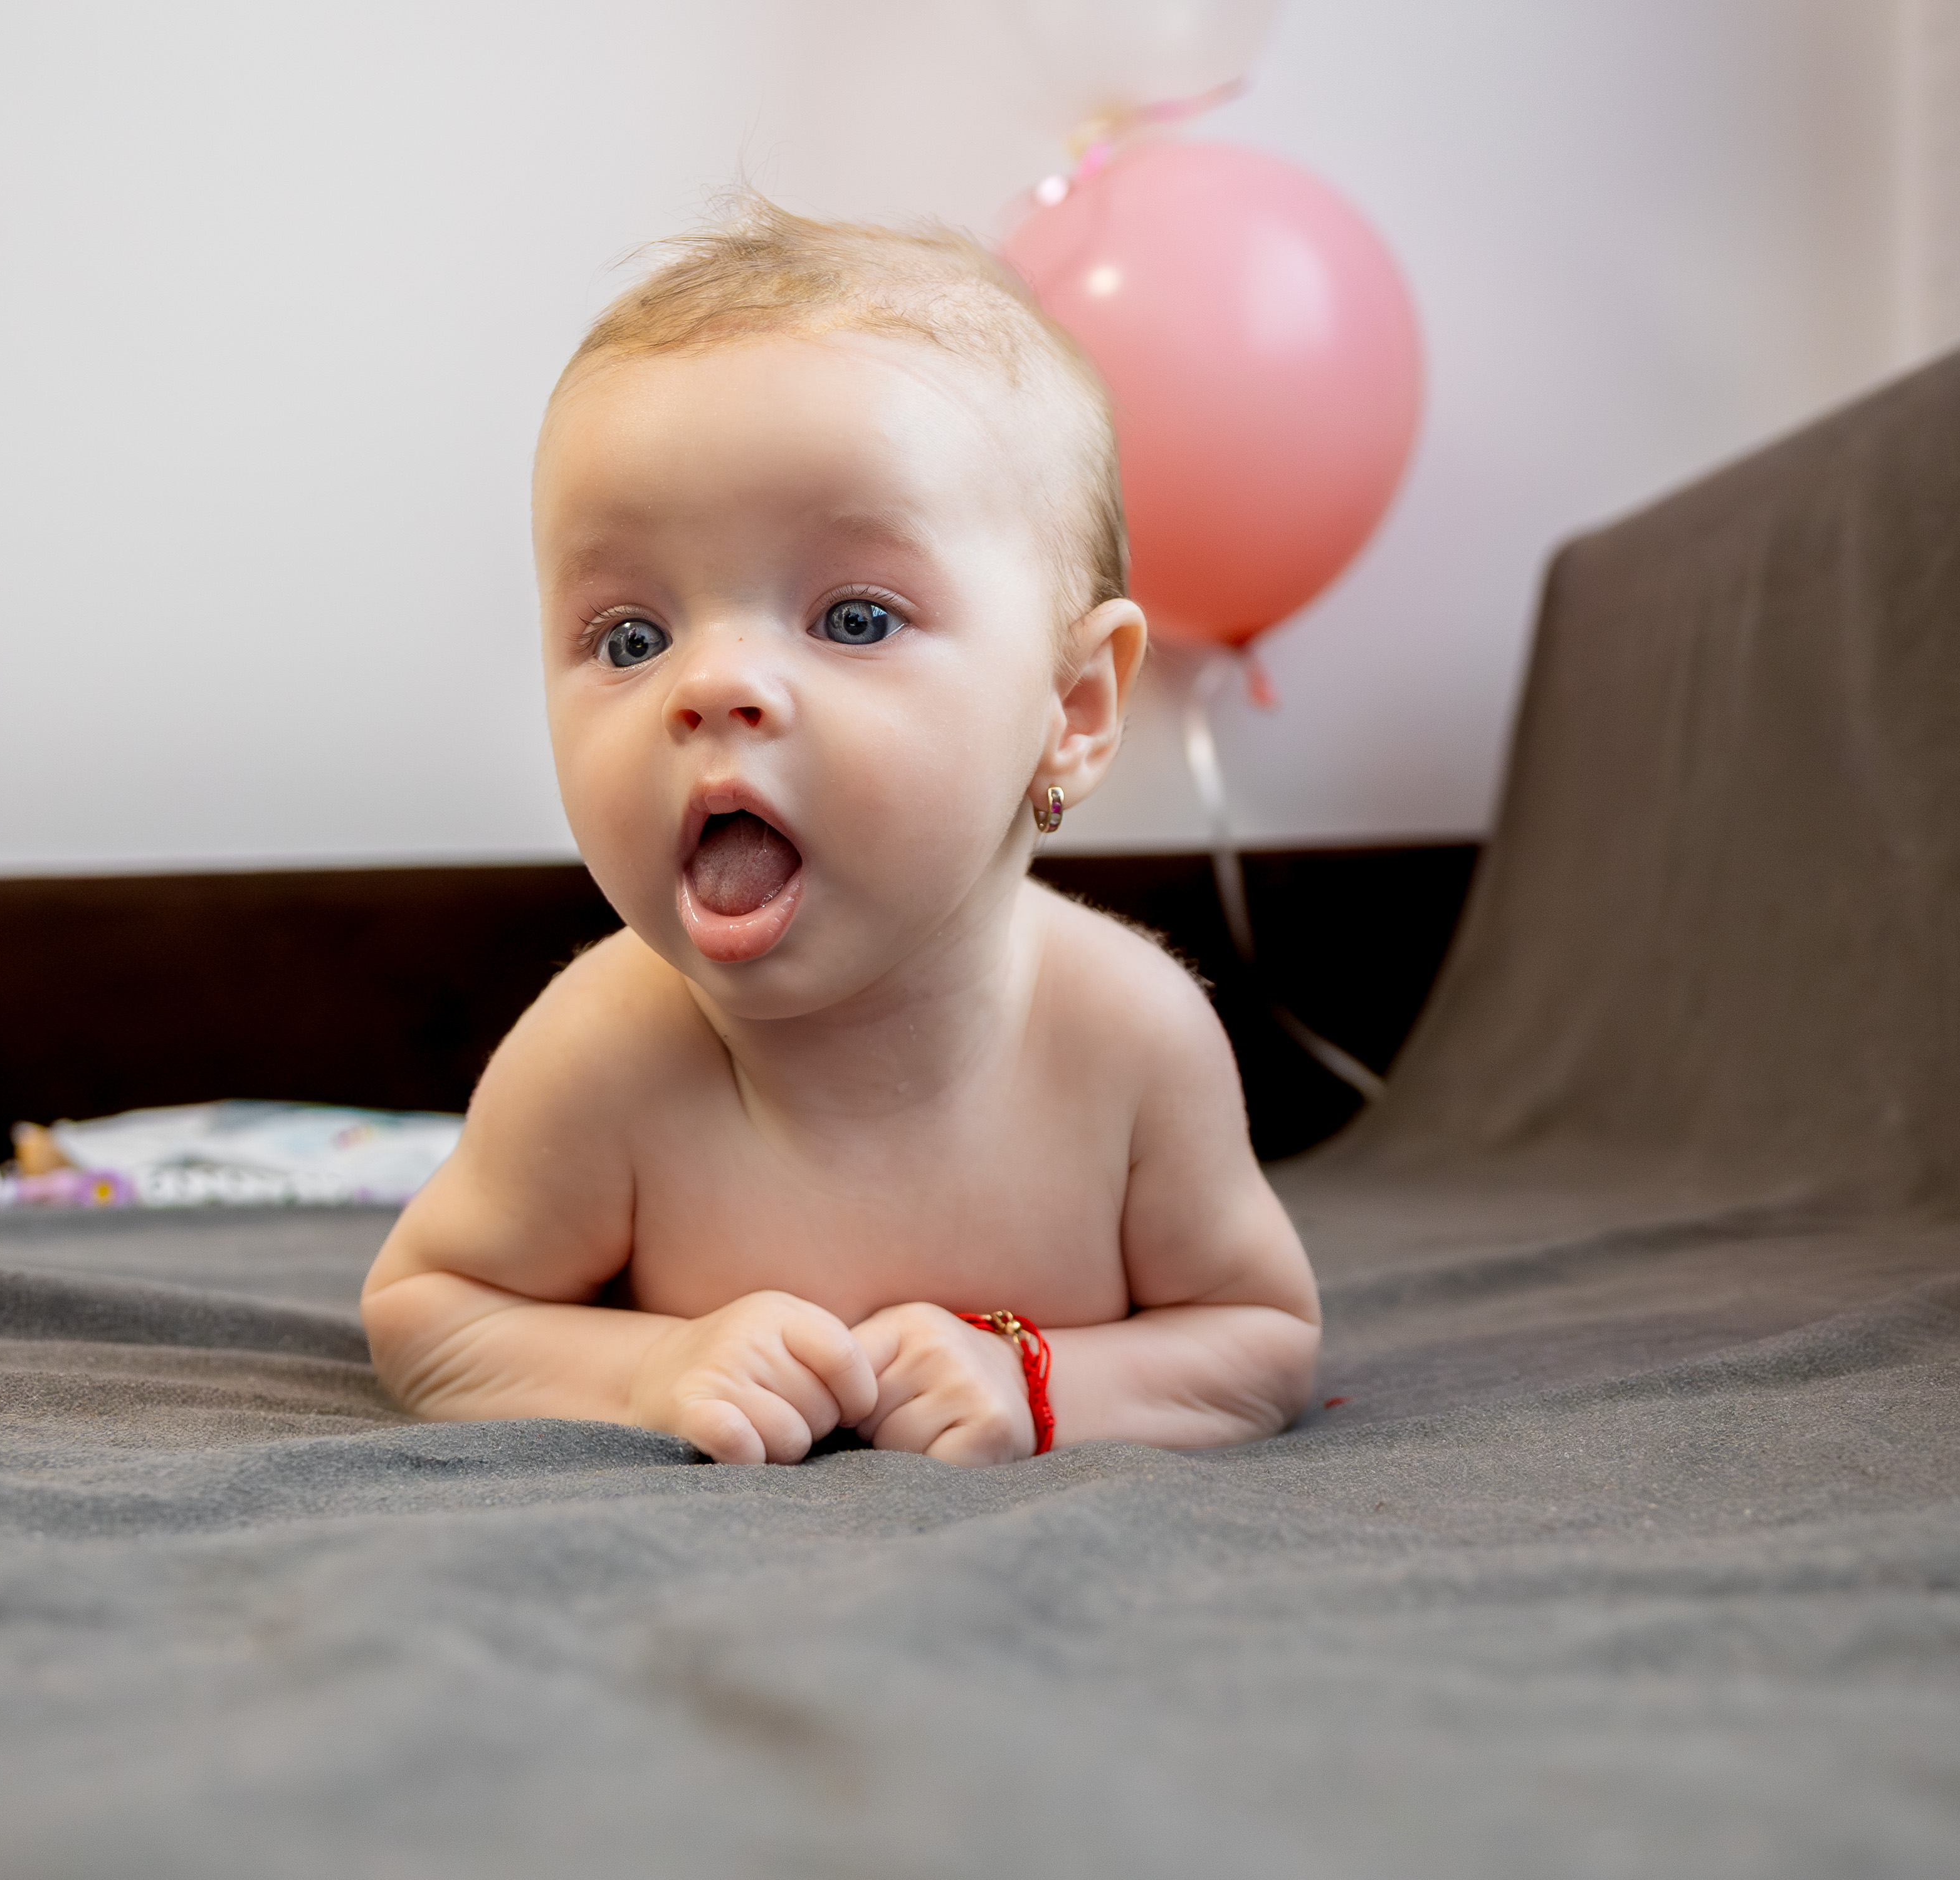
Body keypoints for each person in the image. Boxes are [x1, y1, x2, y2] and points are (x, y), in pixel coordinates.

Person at [358, 197, 1321, 1466]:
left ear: (1073, 708)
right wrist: (651, 1369)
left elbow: (1257, 1336)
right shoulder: (605, 1050)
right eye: (632, 638)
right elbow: (430, 1311)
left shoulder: (1129, 1039)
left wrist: (1038, 1385)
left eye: (854, 619)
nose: (711, 684)